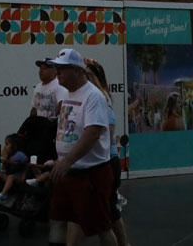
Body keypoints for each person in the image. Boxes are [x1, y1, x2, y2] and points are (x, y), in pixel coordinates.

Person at [45, 48, 116, 246]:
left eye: (62, 69)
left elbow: (93, 132)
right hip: (69, 172)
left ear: (77, 71)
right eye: (56, 68)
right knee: (58, 219)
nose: (57, 73)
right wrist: (60, 160)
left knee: (101, 226)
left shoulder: (93, 96)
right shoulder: (69, 94)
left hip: (90, 174)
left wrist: (67, 161)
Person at [86, 59, 130, 246]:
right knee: (107, 212)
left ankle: (123, 243)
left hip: (106, 162)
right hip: (100, 162)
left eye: (86, 75)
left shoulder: (100, 99)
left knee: (108, 213)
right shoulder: (94, 98)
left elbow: (106, 137)